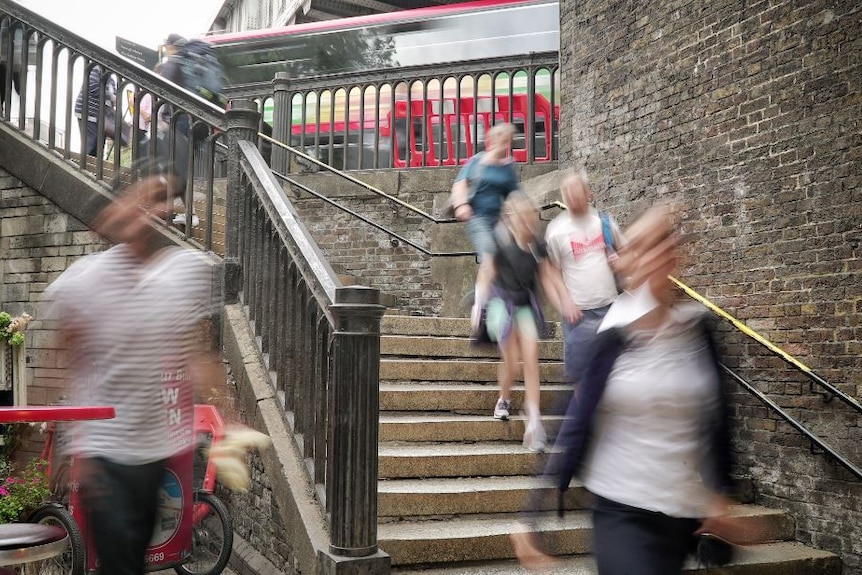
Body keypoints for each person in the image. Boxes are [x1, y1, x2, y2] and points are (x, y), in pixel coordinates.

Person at [512, 205, 739, 575]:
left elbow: (717, 420)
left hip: (683, 514)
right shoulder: (612, 335)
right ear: (626, 260)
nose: (653, 255)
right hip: (622, 510)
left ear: (675, 254)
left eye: (662, 243)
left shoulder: (698, 330)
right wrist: (532, 516)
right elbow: (572, 421)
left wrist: (721, 496)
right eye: (641, 247)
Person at [43, 169, 219, 575]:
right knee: (121, 562)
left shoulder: (183, 272)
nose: (154, 208)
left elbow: (192, 352)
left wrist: (227, 414)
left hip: (159, 448)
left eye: (163, 199)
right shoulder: (85, 281)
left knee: (134, 556)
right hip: (107, 450)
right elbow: (67, 360)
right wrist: (74, 447)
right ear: (113, 213)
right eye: (143, 199)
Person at [541, 170, 624, 384]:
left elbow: (629, 255)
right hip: (578, 315)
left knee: (614, 372)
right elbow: (551, 272)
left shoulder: (605, 223)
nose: (570, 194)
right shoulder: (556, 231)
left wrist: (620, 261)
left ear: (588, 193)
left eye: (575, 189)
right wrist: (564, 302)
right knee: (580, 376)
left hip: (610, 308)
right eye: (565, 190)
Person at [484, 196, 548, 450]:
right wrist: (480, 305)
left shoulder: (537, 247)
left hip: (525, 306)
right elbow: (487, 274)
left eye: (529, 218)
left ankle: (533, 419)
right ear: (512, 219)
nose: (526, 223)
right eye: (521, 218)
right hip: (502, 304)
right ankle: (504, 397)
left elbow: (547, 278)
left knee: (531, 358)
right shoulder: (499, 244)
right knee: (511, 362)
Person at [450, 123, 520, 328]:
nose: (503, 143)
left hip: (498, 220)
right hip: (478, 218)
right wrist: (461, 204)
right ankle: (480, 306)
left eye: (507, 139)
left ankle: (486, 297)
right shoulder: (477, 161)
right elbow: (460, 184)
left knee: (505, 262)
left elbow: (515, 194)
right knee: (489, 257)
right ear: (492, 140)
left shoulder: (507, 168)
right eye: (500, 138)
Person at [75, 65, 117, 156]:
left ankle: (93, 167)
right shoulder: (95, 71)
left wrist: (115, 100)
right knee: (90, 142)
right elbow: (94, 87)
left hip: (102, 117)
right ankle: (85, 165)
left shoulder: (111, 79)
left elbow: (115, 94)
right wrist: (111, 97)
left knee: (99, 144)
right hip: (88, 113)